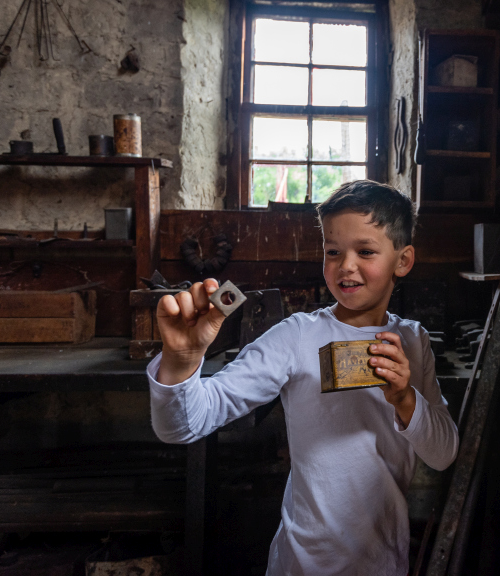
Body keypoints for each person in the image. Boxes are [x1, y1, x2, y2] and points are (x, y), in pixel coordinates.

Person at [147, 180, 459, 576]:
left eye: (365, 251)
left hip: (385, 563)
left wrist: (404, 399)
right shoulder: (297, 336)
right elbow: (184, 425)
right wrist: (181, 361)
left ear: (403, 260)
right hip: (303, 563)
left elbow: (444, 453)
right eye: (333, 252)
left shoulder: (413, 340)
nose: (346, 265)